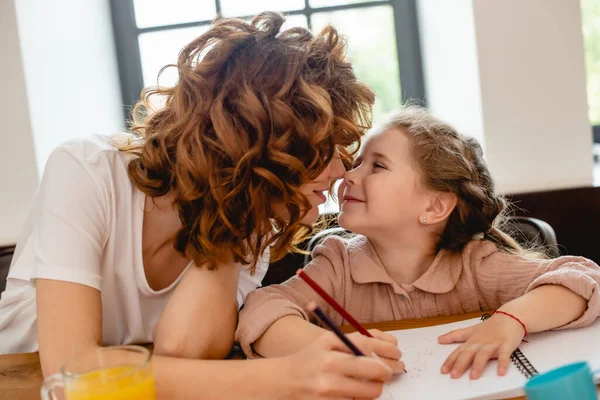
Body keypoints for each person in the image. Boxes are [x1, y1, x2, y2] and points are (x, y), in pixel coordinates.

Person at [0, 12, 402, 399]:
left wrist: (235, 212)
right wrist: (290, 377)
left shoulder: (254, 216)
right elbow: (75, 372)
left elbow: (184, 352)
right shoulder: (85, 169)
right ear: (260, 143)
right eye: (325, 148)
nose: (341, 169)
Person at [236, 106, 600, 380]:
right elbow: (261, 309)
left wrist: (510, 320)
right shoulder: (336, 267)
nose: (348, 174)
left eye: (377, 166)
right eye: (357, 162)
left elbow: (583, 280)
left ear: (435, 206)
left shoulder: (476, 264)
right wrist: (323, 348)